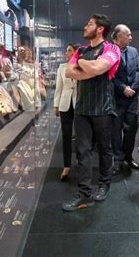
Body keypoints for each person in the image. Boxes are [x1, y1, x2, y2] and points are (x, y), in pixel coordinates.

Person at [62, 14, 120, 212]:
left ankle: (104, 185)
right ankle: (84, 193)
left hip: (103, 108)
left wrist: (83, 65)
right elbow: (68, 72)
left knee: (105, 149)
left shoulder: (111, 49)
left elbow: (98, 67)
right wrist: (92, 67)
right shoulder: (81, 49)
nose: (85, 26)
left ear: (100, 29)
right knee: (82, 151)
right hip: (82, 108)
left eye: (90, 24)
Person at [111, 25, 139, 174]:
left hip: (132, 98)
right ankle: (117, 159)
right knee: (116, 131)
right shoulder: (109, 51)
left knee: (131, 129)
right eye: (128, 35)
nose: (131, 37)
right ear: (118, 37)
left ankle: (128, 156)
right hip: (116, 97)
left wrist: (133, 88)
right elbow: (110, 76)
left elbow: (138, 70)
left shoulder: (134, 51)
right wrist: (123, 88)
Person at [54, 43, 80, 181]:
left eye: (69, 51)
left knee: (81, 135)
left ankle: (81, 162)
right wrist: (56, 105)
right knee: (66, 135)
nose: (66, 53)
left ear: (75, 53)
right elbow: (59, 87)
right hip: (65, 104)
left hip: (79, 104)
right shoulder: (62, 68)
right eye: (66, 50)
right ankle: (66, 165)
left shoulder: (82, 66)